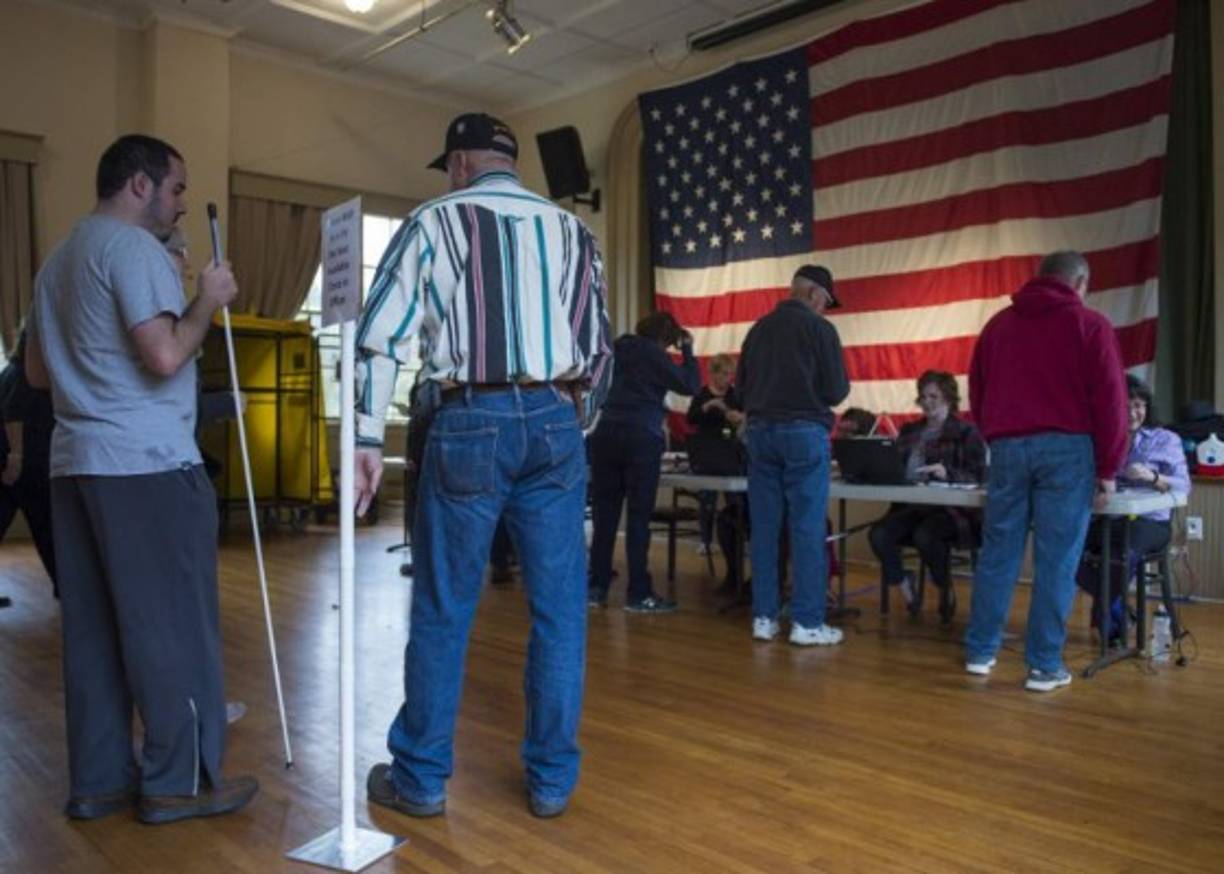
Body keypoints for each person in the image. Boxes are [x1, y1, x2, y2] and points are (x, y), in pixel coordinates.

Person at [353, 112, 613, 820]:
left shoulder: (434, 221)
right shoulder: (572, 231)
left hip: (471, 416)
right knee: (560, 610)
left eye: (450, 166)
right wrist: (570, 424)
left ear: (461, 163)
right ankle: (553, 778)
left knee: (444, 604)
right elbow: (598, 351)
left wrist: (366, 441)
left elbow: (380, 339)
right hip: (556, 420)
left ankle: (421, 777)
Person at [25, 134, 257, 822]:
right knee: (174, 628)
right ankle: (176, 783)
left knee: (93, 630)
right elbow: (163, 354)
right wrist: (207, 299)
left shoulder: (58, 260)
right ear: (139, 184)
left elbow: (37, 374)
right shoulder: (135, 251)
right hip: (147, 467)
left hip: (75, 467)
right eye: (177, 189)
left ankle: (98, 782)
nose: (181, 205)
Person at [964, 250, 1128, 692]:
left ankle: (980, 652)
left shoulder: (998, 325)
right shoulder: (1090, 325)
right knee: (1057, 559)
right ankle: (1043, 666)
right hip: (1067, 449)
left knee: (999, 552)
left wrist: (996, 433)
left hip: (1008, 448)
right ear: (1080, 283)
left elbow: (977, 390)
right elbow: (1112, 401)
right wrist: (1109, 466)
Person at [737, 263, 849, 644]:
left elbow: (740, 390)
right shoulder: (820, 330)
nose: (824, 309)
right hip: (803, 433)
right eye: (826, 301)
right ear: (814, 293)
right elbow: (836, 391)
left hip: (760, 433)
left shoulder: (758, 330)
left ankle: (764, 618)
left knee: (765, 528)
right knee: (806, 529)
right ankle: (807, 623)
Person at [587, 311, 699, 612]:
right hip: (640, 435)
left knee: (604, 516)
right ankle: (638, 593)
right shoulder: (653, 353)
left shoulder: (615, 350)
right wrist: (687, 349)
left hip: (605, 432)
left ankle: (596, 588)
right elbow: (690, 385)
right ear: (666, 338)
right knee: (638, 518)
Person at [1076, 374, 1190, 641]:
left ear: (1147, 407)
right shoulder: (1103, 439)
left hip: (1152, 524)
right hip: (1110, 518)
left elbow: (1183, 485)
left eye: (1138, 405)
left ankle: (1110, 621)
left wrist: (1153, 477)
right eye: (1124, 405)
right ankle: (1117, 609)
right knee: (1065, 544)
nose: (1132, 412)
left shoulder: (1165, 439)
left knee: (1123, 549)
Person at [867, 371, 986, 621]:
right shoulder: (910, 430)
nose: (927, 401)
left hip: (951, 511)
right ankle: (906, 589)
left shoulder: (967, 431)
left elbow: (979, 475)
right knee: (878, 534)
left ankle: (944, 588)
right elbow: (894, 466)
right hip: (911, 506)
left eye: (934, 396)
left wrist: (948, 472)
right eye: (923, 396)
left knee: (926, 535)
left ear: (949, 397)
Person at [0, 330, 58, 596]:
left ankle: (65, 588)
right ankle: (66, 589)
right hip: (24, 465)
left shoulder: (10, 371)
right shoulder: (26, 375)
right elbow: (13, 414)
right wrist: (16, 457)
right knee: (46, 526)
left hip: (12, 464)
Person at [685, 353, 743, 555]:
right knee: (707, 499)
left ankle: (736, 540)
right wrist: (707, 406)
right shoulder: (701, 395)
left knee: (734, 498)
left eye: (731, 374)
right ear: (714, 374)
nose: (729, 378)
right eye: (725, 374)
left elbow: (746, 419)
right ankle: (706, 540)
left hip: (730, 451)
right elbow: (690, 419)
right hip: (707, 451)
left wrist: (739, 417)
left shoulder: (735, 395)